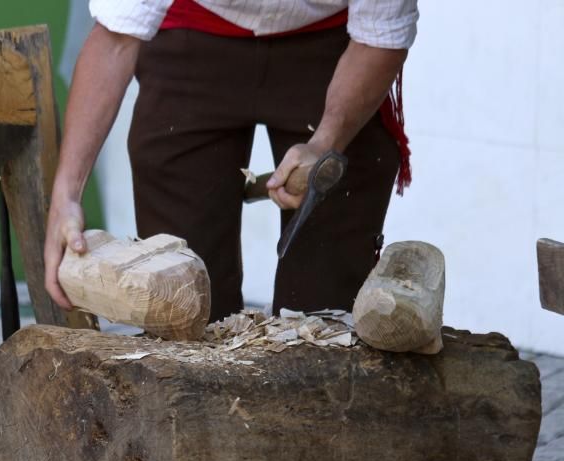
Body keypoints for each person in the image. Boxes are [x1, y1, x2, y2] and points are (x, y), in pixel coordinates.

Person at [44, 0, 419, 321]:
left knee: (327, 306)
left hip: (334, 48)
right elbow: (115, 39)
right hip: (192, 36)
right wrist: (66, 195)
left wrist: (326, 142)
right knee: (177, 293)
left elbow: (380, 36)